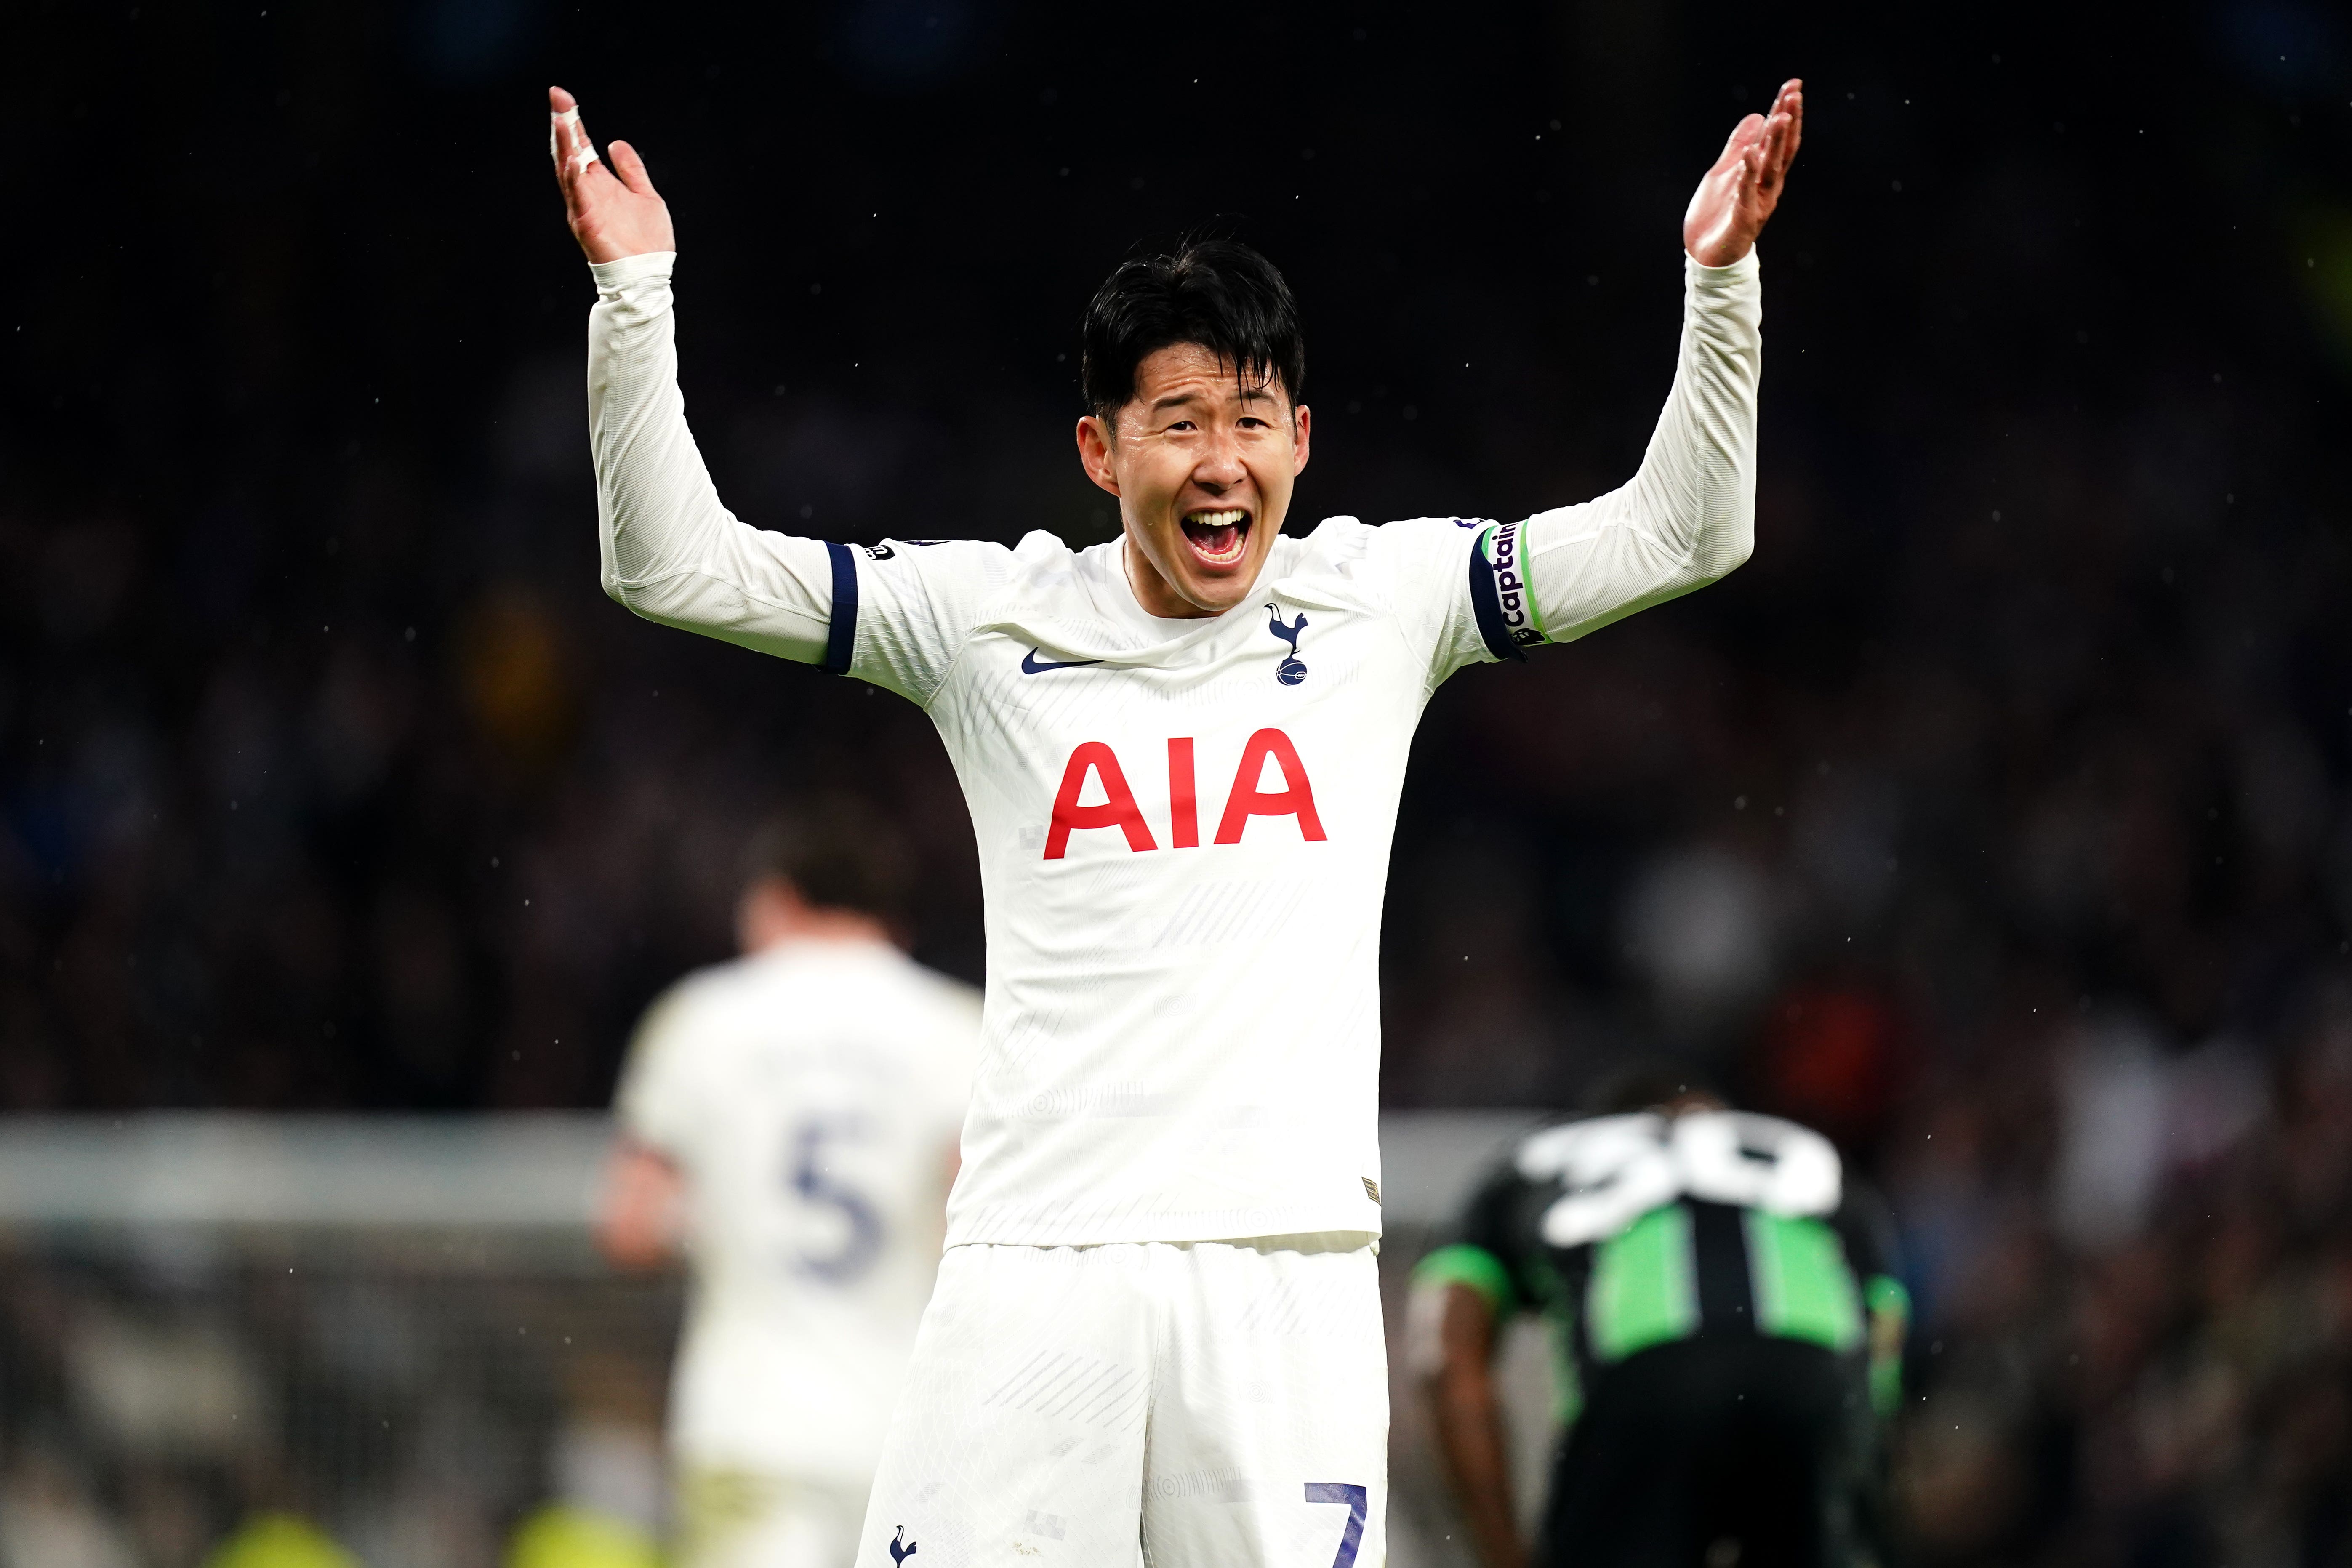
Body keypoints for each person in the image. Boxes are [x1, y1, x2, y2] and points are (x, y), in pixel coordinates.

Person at [547, 72, 1802, 1567]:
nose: (1219, 458)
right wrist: (634, 294)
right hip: (1032, 1261)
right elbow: (673, 568)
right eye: (1178, 420)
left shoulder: (1383, 599)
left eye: (1250, 419)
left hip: (1281, 1264)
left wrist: (1715, 278)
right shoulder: (980, 617)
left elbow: (1682, 530)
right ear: (1099, 451)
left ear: (1299, 441)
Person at [597, 799, 980, 1568]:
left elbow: (629, 1226)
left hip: (749, 1422)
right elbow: (977, 1230)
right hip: (906, 1431)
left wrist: (718, 1224)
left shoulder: (701, 1020)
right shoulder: (955, 1029)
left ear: (776, 900)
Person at [1410, 1070, 1908, 1568]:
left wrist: (1502, 1554)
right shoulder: (1804, 1148)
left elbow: (1445, 1356)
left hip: (1645, 1378)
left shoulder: (1539, 1157)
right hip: (1821, 1374)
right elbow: (1884, 1328)